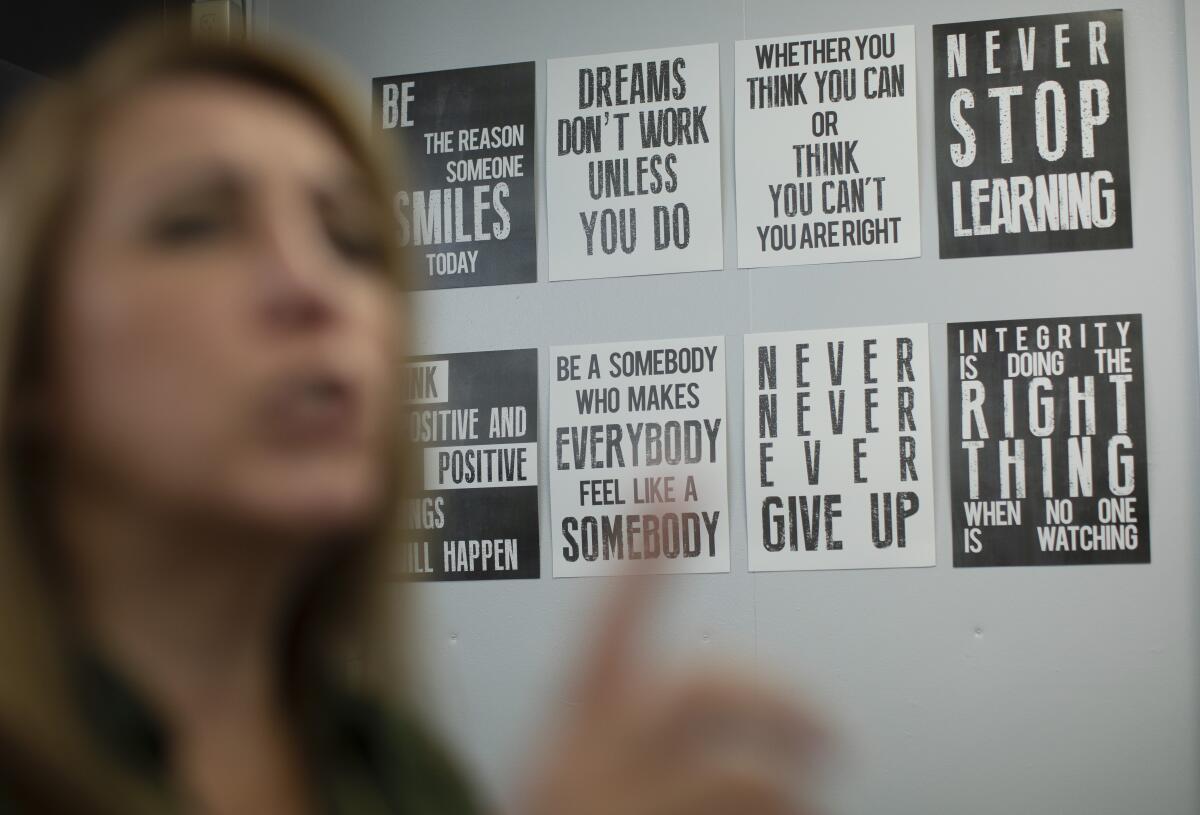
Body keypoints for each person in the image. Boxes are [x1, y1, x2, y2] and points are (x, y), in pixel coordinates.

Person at [0, 19, 826, 815]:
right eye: (198, 224)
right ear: (31, 354)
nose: (312, 285)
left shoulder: (402, 771)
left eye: (352, 238)